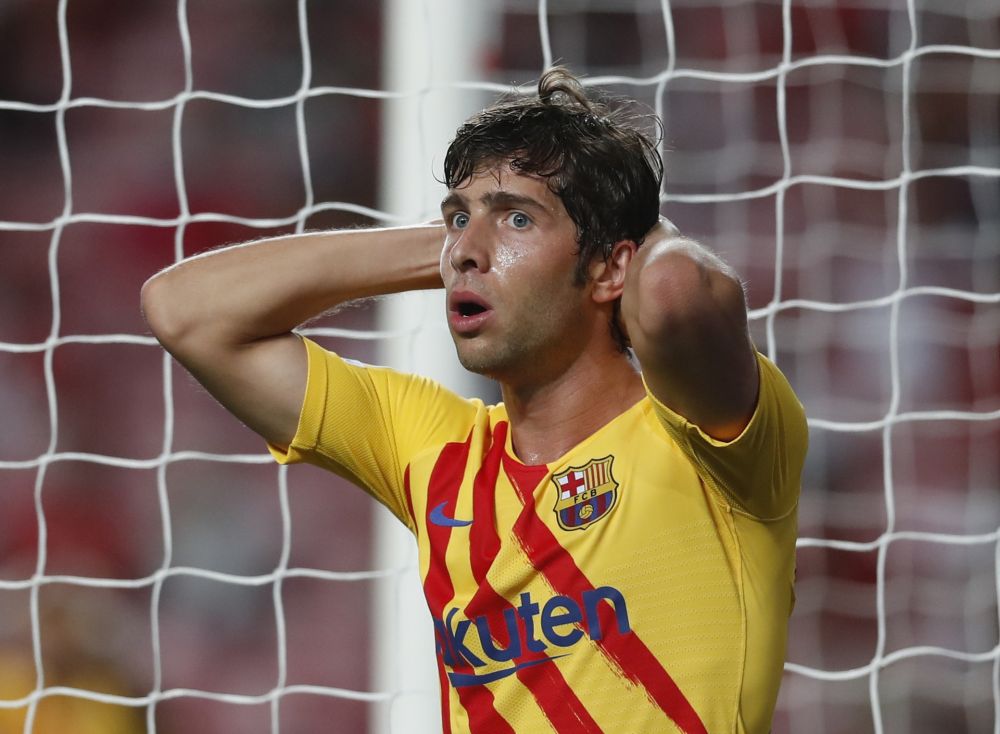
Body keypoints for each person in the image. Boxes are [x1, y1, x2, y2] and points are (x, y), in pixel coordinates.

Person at [141, 67, 807, 734]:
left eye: (519, 216)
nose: (465, 251)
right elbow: (185, 310)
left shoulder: (710, 445)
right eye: (457, 217)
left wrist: (616, 221)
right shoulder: (436, 450)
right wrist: (465, 243)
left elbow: (672, 294)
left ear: (611, 268)